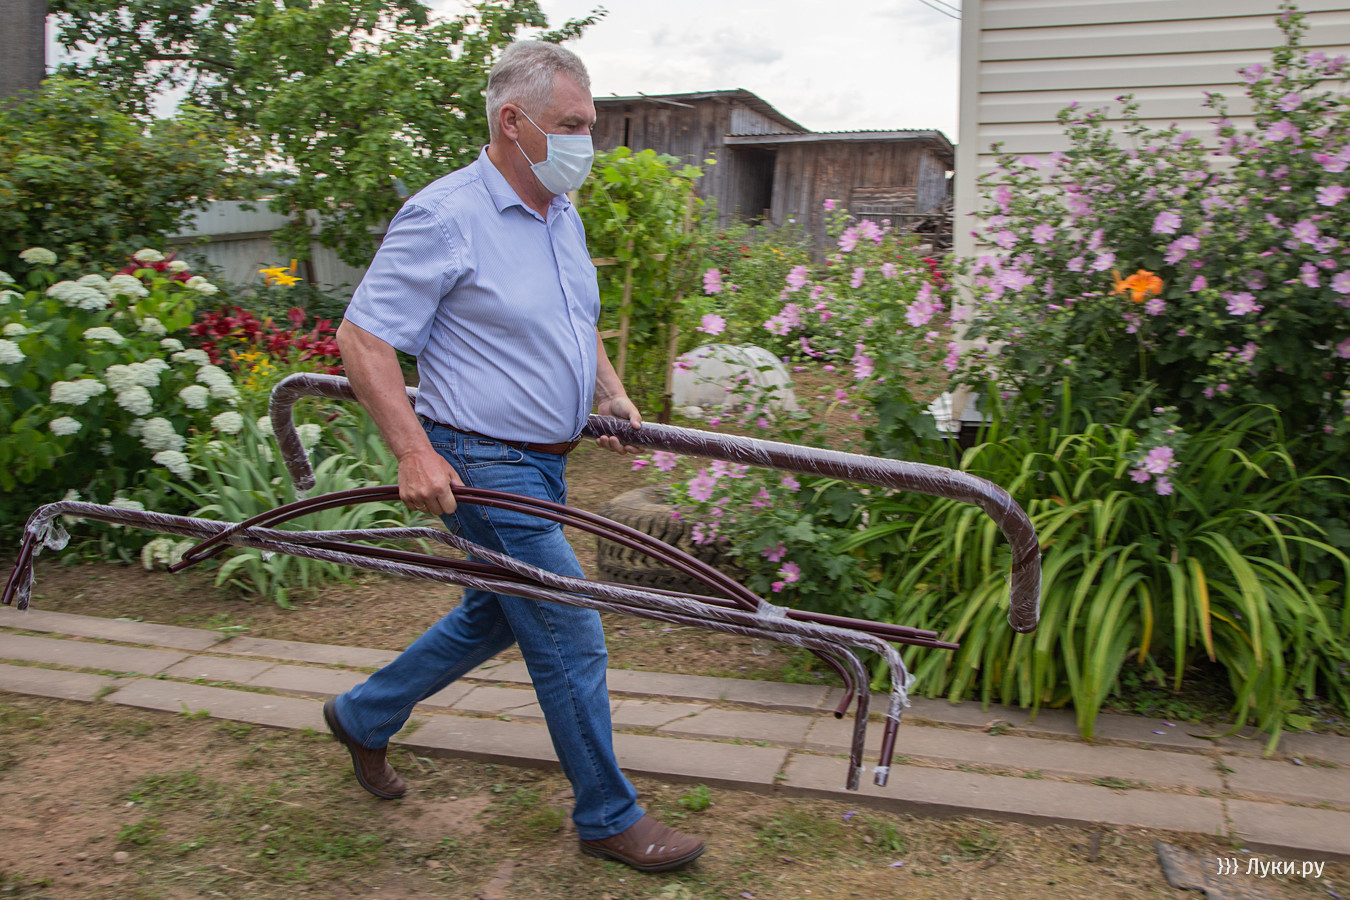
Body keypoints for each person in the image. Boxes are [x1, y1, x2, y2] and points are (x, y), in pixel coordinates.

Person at [324, 40, 705, 874]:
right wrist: (413, 451)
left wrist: (609, 390)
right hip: (481, 460)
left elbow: (575, 317)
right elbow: (363, 338)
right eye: (571, 125)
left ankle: (362, 714)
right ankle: (608, 815)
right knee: (568, 624)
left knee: (497, 611)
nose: (585, 143)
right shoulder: (446, 215)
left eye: (588, 125)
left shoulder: (559, 211)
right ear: (512, 121)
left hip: (544, 464)